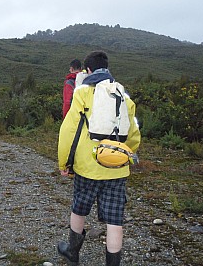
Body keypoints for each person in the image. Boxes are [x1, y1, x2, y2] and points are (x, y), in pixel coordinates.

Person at [57, 50, 141, 266]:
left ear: (88, 70)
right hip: (117, 167)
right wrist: (123, 155)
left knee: (80, 207)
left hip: (87, 166)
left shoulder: (83, 92)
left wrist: (64, 162)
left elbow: (69, 130)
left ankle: (72, 252)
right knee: (115, 219)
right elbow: (133, 134)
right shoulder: (124, 94)